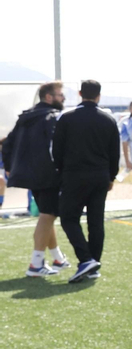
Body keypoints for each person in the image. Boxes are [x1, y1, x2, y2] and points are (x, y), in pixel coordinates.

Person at [51, 79, 119, 283]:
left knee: (68, 218)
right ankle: (93, 263)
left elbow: (57, 150)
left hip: (74, 175)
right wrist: (111, 176)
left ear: (80, 94)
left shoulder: (67, 118)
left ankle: (86, 259)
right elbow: (114, 153)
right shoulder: (108, 119)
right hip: (100, 176)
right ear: (99, 95)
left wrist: (62, 171)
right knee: (96, 221)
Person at [2, 81, 69, 276]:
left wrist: (9, 167)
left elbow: (7, 145)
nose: (63, 98)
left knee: (47, 215)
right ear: (49, 97)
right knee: (48, 216)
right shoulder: (53, 117)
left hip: (32, 175)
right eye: (60, 94)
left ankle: (57, 258)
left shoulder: (26, 116)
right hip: (49, 175)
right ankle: (36, 264)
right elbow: (58, 148)